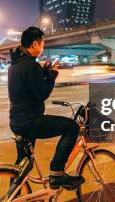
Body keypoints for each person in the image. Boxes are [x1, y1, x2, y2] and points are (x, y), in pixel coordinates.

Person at [8, 27, 84, 189]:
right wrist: (53, 73)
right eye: (42, 43)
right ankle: (57, 172)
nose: (43, 47)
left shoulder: (15, 65)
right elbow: (42, 93)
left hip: (17, 121)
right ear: (35, 44)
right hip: (31, 121)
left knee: (22, 165)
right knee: (72, 127)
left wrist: (43, 71)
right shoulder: (30, 66)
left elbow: (30, 85)